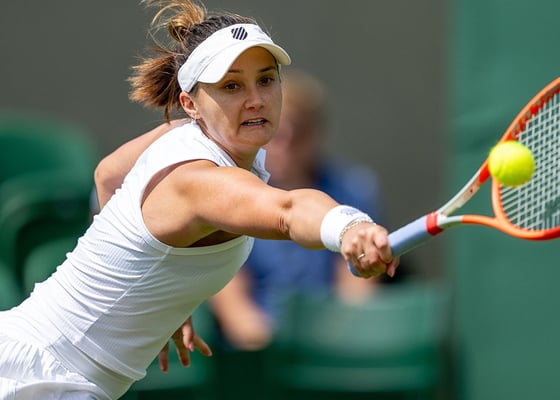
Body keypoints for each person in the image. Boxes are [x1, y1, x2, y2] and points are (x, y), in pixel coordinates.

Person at [0, 1, 399, 399]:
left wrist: (160, 290)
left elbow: (107, 174)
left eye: (266, 79)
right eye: (231, 86)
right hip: (38, 377)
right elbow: (288, 210)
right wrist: (348, 227)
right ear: (190, 103)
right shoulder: (198, 181)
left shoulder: (182, 136)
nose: (256, 99)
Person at [210, 69, 386, 351]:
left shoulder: (353, 189)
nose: (287, 144)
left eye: (299, 133)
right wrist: (270, 347)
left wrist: (330, 342)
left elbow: (357, 292)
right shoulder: (227, 193)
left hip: (329, 347)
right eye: (277, 133)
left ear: (318, 134)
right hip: (257, 356)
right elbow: (235, 309)